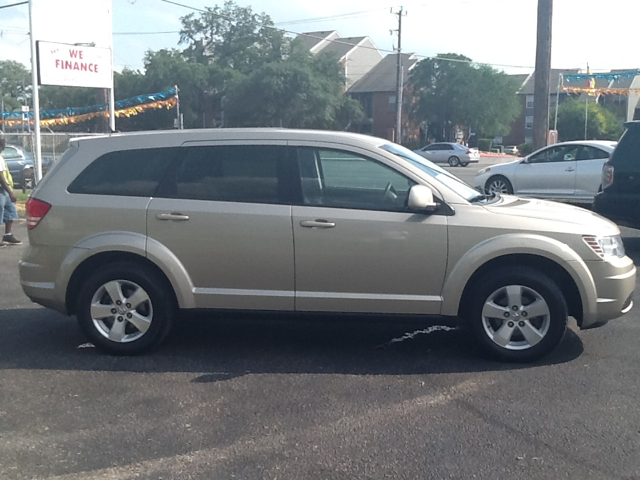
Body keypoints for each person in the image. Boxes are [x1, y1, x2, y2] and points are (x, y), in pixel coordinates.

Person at [0, 136, 22, 246]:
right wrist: (10, 191)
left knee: (10, 213)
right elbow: (0, 176)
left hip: (5, 190)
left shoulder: (1, 157)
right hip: (2, 190)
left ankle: (8, 235)